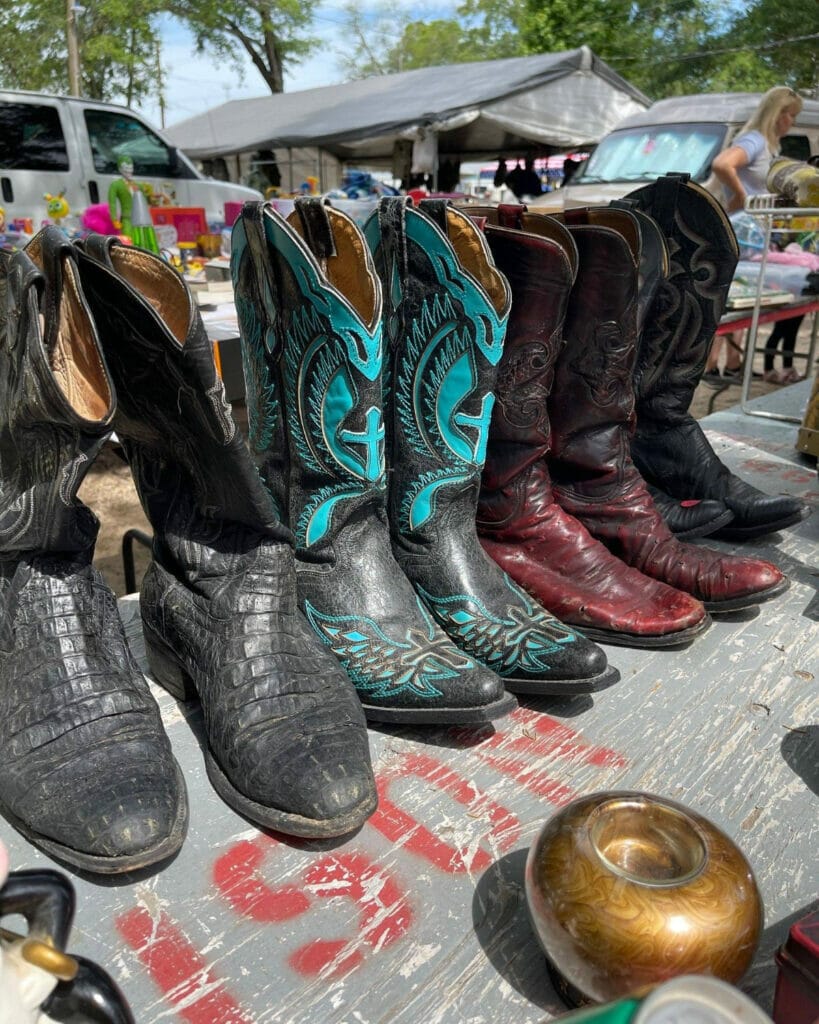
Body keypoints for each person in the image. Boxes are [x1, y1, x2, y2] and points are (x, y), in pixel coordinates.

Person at [704, 86, 805, 380]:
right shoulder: (755, 141)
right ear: (779, 114)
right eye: (791, 115)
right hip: (742, 234)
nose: (792, 123)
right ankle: (712, 365)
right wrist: (740, 197)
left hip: (755, 236)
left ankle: (732, 365)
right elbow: (723, 164)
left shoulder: (768, 146)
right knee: (731, 297)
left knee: (747, 295)